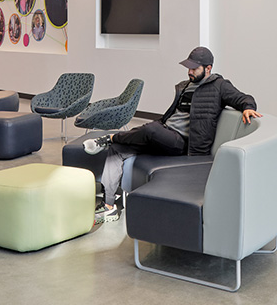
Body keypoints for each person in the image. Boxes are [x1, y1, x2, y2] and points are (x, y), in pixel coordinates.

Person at [89, 46, 260, 218]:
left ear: (208, 68)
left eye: (194, 68)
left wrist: (248, 108)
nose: (189, 72)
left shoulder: (219, 86)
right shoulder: (185, 86)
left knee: (150, 130)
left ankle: (111, 137)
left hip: (182, 143)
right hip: (164, 134)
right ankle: (109, 205)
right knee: (117, 150)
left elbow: (244, 98)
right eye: (188, 68)